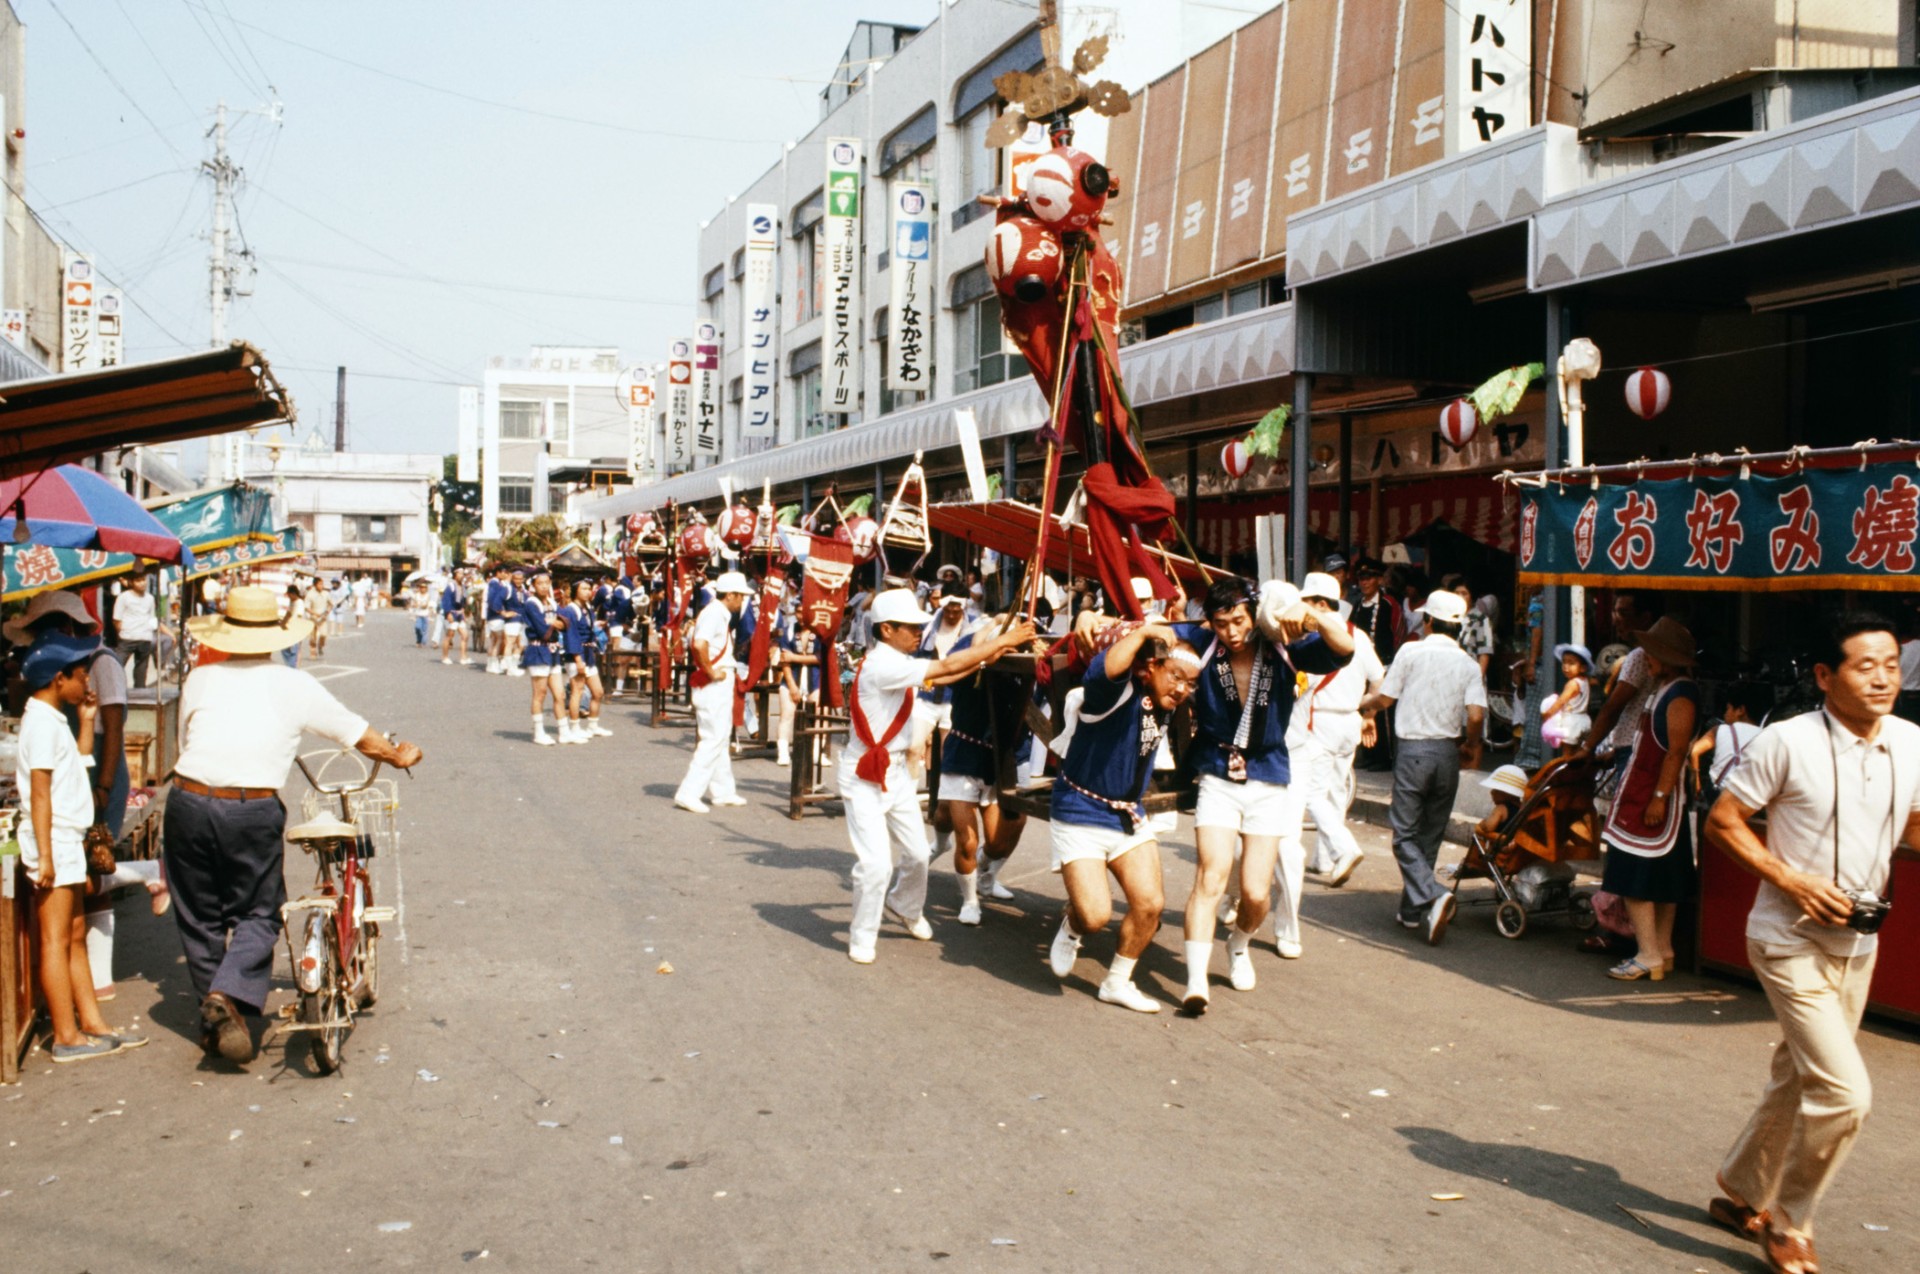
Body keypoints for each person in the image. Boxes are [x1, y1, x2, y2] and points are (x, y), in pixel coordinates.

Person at [1704, 614, 1920, 1274]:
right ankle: (1791, 1221)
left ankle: (1741, 1188)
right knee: (1845, 1092)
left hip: (1859, 943)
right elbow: (1724, 821)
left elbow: (1910, 823)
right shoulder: (1786, 742)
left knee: (1799, 1074)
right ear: (1826, 676)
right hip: (1786, 938)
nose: (1883, 677)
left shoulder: (1912, 741)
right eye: (1865, 665)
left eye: (1891, 664)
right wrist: (1790, 878)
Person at [164, 586, 421, 1063]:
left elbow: (185, 742)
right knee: (259, 911)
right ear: (274, 636)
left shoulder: (200, 678)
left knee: (199, 915)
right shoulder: (293, 684)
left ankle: (216, 1014)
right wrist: (399, 752)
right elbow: (360, 737)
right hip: (250, 808)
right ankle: (227, 995)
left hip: (188, 799)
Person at [1172, 577, 1355, 1012]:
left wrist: (1312, 615)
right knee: (1211, 875)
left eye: (1237, 621)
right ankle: (1196, 982)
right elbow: (1157, 629)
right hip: (1218, 771)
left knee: (1255, 893)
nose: (1231, 632)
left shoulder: (1283, 643)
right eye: (1220, 624)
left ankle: (1239, 944)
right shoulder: (1203, 641)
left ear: (1253, 614)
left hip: (1269, 774)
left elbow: (1343, 650)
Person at [838, 589, 1033, 963]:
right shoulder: (883, 664)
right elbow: (945, 669)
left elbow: (956, 669)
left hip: (894, 773)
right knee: (876, 864)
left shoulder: (898, 658)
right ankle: (862, 935)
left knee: (915, 853)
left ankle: (905, 906)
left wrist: (992, 653)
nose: (918, 633)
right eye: (910, 627)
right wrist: (1006, 639)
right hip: (865, 773)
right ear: (887, 629)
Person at [1046, 620, 1198, 1010]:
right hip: (1080, 811)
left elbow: (1199, 633)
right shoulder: (1110, 694)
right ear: (1150, 668)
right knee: (1095, 916)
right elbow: (1108, 665)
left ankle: (1117, 982)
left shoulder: (1165, 699)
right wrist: (1144, 632)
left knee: (1150, 904)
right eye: (1176, 677)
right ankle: (1073, 924)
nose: (1182, 689)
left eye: (1191, 683)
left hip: (1127, 815)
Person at [17, 631, 147, 1062]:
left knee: (73, 935)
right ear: (59, 678)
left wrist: (88, 720)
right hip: (53, 839)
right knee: (55, 940)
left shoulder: (54, 717)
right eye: (80, 676)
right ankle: (66, 1037)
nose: (87, 683)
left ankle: (92, 1024)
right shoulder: (39, 722)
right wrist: (46, 858)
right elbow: (39, 794)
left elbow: (76, 765)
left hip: (67, 837)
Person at [1360, 589, 1487, 945]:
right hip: (1447, 752)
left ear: (1428, 621)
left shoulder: (1411, 651)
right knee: (1429, 834)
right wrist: (1470, 744)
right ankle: (1411, 912)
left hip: (1414, 750)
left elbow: (1385, 698)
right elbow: (1476, 716)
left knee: (1403, 835)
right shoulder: (1468, 664)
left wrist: (1360, 704)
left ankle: (1433, 893)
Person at [1279, 572, 1385, 937]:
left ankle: (1342, 847)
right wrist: (1367, 712)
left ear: (1320, 605)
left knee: (1311, 792)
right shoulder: (1357, 635)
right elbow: (1379, 678)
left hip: (1319, 719)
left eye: (1308, 602)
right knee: (1336, 790)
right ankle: (1326, 859)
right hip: (1350, 720)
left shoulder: (1312, 635)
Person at [1598, 617, 1699, 981]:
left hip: (1653, 797)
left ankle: (1649, 954)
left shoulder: (1681, 695)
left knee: (1634, 880)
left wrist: (1659, 797)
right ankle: (1662, 949)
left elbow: (1674, 752)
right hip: (1642, 789)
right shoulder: (1664, 688)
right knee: (1663, 878)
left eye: (1654, 655)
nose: (1648, 661)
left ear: (1666, 658)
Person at [934, 616, 1032, 924]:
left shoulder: (1020, 672)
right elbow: (978, 648)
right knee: (968, 841)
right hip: (962, 757)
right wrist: (994, 628)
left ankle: (985, 878)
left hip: (995, 763)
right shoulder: (972, 663)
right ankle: (969, 900)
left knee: (997, 842)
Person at [673, 572, 754, 810]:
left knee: (720, 736)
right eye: (740, 597)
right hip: (714, 682)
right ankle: (689, 792)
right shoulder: (715, 613)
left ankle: (723, 791)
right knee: (713, 739)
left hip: (718, 681)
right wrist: (710, 671)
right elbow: (700, 644)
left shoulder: (718, 612)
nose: (742, 602)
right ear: (731, 595)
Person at [1581, 590, 1664, 784]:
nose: (1616, 620)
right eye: (1615, 612)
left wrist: (1587, 748)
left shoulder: (1640, 656)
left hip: (1635, 749)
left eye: (1624, 613)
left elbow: (1613, 707)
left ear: (1645, 618)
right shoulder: (1649, 654)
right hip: (1637, 746)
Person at [1350, 559, 1400, 771]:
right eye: (1361, 578)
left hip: (1386, 665)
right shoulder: (1358, 605)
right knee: (1364, 708)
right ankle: (1368, 754)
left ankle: (1385, 758)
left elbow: (1399, 633)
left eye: (1369, 577)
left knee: (1383, 714)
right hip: (1363, 667)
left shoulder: (1390, 604)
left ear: (1379, 579)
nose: (1364, 582)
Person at [1690, 681, 1765, 799]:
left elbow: (1694, 751)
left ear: (1740, 710)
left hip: (1718, 795)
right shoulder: (1766, 735)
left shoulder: (1719, 729)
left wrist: (1696, 785)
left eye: (1728, 708)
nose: (1725, 714)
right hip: (1750, 797)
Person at [1540, 643, 1594, 752]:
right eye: (1564, 662)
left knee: (1567, 754)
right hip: (1584, 720)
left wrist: (1548, 714)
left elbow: (1561, 701)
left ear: (1583, 668)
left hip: (1572, 721)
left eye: (1571, 663)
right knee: (1579, 752)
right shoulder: (1585, 681)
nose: (1566, 667)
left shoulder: (1572, 684)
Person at [112, 573, 158, 689]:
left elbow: (152, 618)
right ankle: (115, 691)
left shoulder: (150, 598)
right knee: (116, 665)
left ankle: (140, 695)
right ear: (131, 582)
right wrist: (122, 633)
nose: (142, 583)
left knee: (141, 671)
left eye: (143, 579)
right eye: (138, 580)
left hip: (144, 638)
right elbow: (117, 619)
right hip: (127, 637)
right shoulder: (123, 597)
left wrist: (150, 633)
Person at [439, 572, 471, 666]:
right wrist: (448, 613)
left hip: (460, 613)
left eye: (462, 574)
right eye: (459, 574)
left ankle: (463, 657)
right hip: (452, 612)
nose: (461, 576)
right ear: (455, 575)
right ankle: (445, 656)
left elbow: (464, 601)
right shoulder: (451, 586)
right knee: (450, 635)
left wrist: (464, 611)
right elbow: (446, 600)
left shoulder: (463, 587)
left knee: (465, 635)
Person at [305, 581, 332, 658]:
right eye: (319, 584)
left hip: (322, 618)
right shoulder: (310, 594)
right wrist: (315, 613)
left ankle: (320, 646)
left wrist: (327, 612)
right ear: (315, 585)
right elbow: (306, 608)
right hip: (313, 618)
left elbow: (330, 604)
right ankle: (313, 653)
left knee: (324, 634)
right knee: (313, 637)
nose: (321, 586)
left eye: (322, 584)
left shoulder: (326, 594)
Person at [408, 581, 432, 647]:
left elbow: (426, 605)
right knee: (417, 628)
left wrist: (422, 605)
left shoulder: (428, 595)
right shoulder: (417, 595)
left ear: (426, 588)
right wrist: (414, 605)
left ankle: (423, 642)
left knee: (424, 629)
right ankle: (419, 640)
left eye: (424, 587)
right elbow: (414, 603)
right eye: (421, 587)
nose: (422, 589)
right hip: (418, 614)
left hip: (425, 615)